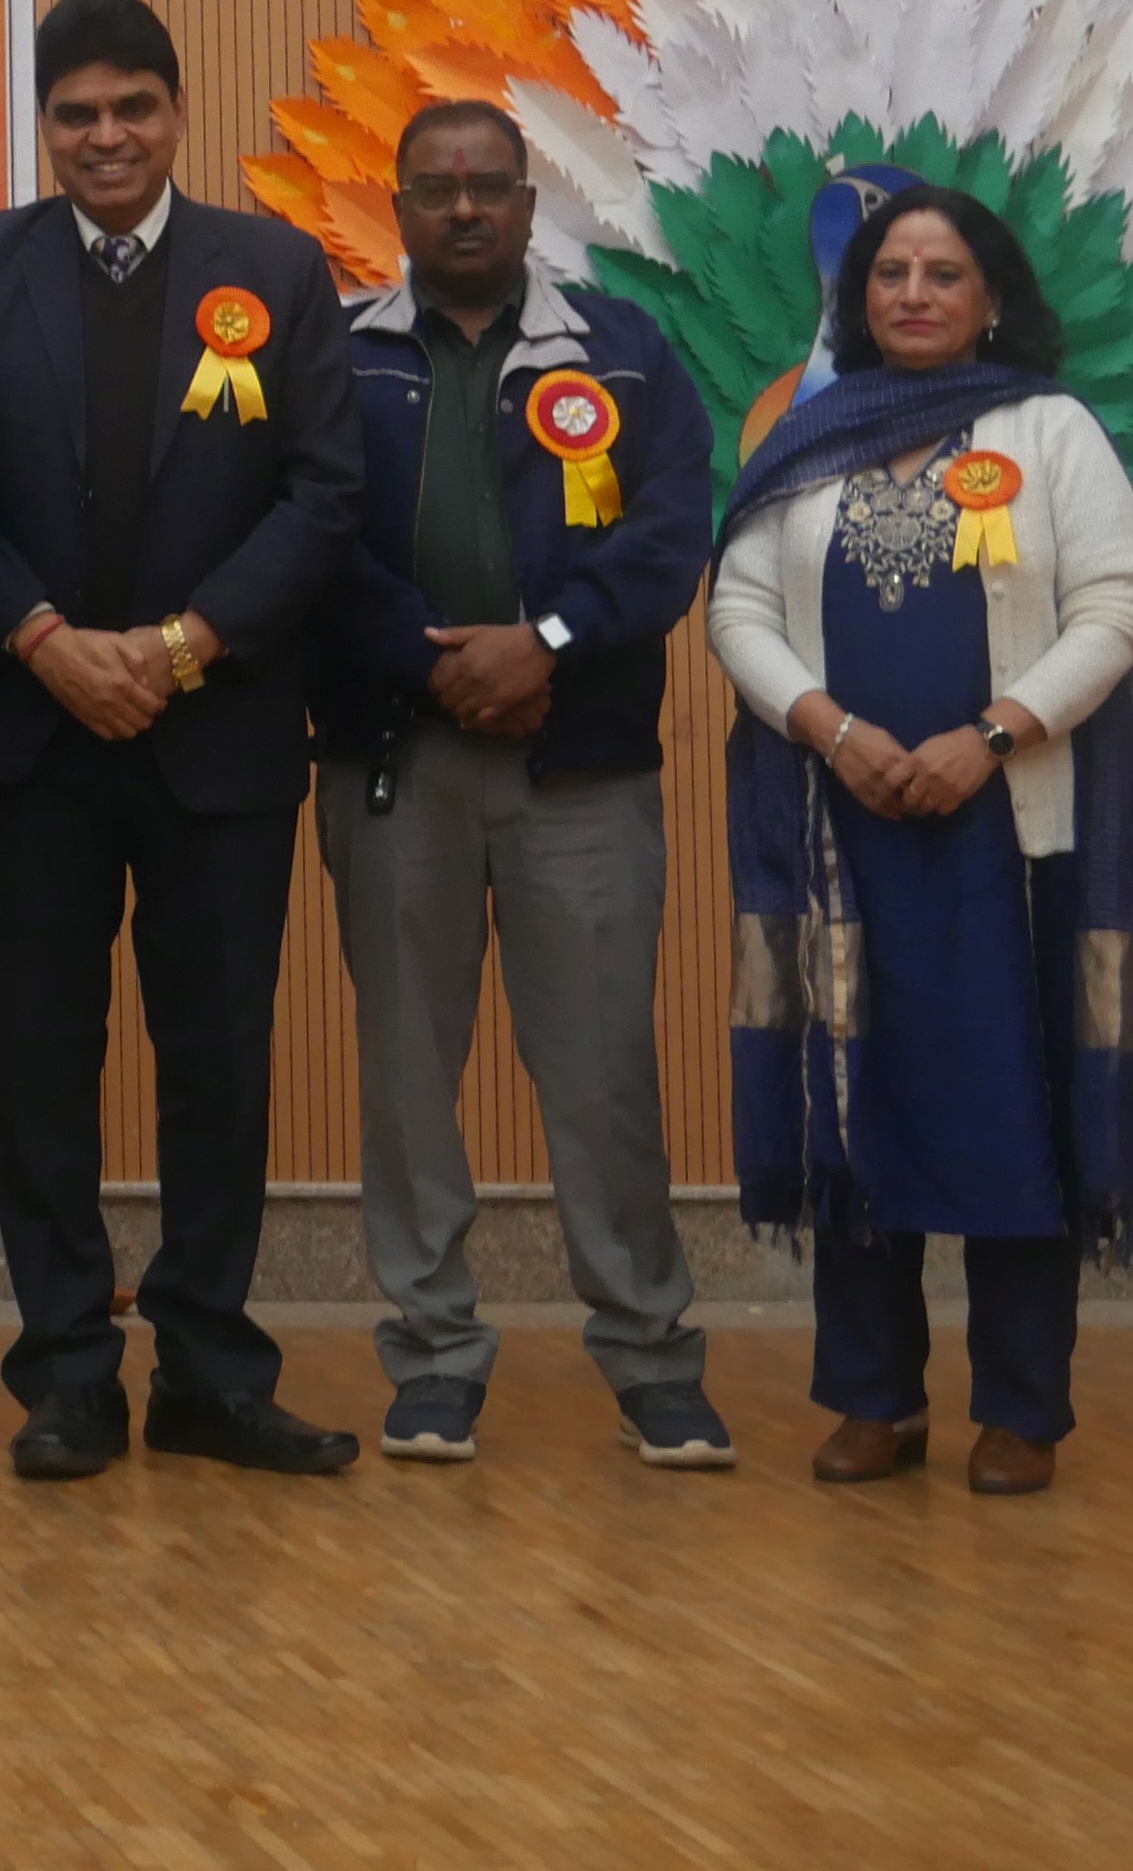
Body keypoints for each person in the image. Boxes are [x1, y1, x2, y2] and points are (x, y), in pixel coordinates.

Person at [0, 0, 364, 1481]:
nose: (104, 136)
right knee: (40, 1063)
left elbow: (324, 491)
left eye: (132, 108)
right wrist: (45, 642)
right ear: (42, 127)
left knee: (220, 1063)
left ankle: (209, 1368)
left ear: (177, 114)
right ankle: (65, 1370)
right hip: (29, 734)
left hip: (218, 737)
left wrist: (182, 647)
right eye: (75, 114)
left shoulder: (276, 269)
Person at [707, 182, 1133, 1495]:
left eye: (942, 273)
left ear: (989, 298)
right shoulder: (809, 432)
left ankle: (1020, 1406)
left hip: (1012, 842)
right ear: (858, 297)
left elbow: (1119, 605)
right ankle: (873, 1398)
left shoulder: (1048, 428)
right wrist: (834, 731)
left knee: (1017, 1108)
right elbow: (736, 609)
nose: (912, 293)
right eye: (890, 272)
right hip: (837, 833)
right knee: (852, 1103)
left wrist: (993, 734)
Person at [317, 98, 729, 1469]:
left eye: (488, 184)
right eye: (435, 187)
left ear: (528, 202)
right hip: (398, 760)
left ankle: (652, 1355)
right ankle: (433, 1356)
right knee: (406, 1075)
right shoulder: (338, 353)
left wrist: (544, 641)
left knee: (603, 1071)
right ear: (396, 206)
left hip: (579, 770)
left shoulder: (622, 352)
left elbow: (669, 533)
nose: (463, 208)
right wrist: (433, 664)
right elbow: (309, 533)